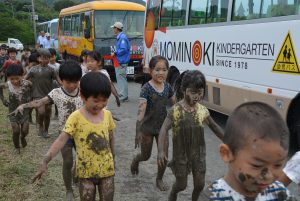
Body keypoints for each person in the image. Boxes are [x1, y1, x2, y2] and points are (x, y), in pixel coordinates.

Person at [31, 72, 116, 201]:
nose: (100, 104)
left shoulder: (107, 115)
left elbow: (111, 137)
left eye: (104, 100)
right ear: (83, 96)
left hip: (107, 169)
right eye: (96, 100)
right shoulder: (76, 117)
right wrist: (45, 160)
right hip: (85, 173)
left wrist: (113, 157)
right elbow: (61, 140)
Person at [14, 61, 82, 201]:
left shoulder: (83, 91)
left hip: (82, 134)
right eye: (68, 82)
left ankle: (77, 174)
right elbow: (40, 102)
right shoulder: (56, 93)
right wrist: (24, 106)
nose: (72, 85)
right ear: (61, 80)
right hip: (65, 134)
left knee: (81, 160)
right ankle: (69, 190)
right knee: (68, 161)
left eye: (75, 82)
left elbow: (94, 103)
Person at [203, 102, 296, 201]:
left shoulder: (279, 193)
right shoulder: (211, 198)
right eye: (257, 165)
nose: (269, 176)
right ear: (227, 153)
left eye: (278, 165)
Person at [157, 70, 224, 201]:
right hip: (181, 155)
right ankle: (174, 192)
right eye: (193, 92)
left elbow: (215, 126)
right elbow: (164, 129)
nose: (197, 96)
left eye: (200, 92)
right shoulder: (176, 110)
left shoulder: (202, 110)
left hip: (198, 154)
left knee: (200, 185)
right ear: (183, 90)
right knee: (181, 185)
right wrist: (160, 151)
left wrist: (229, 141)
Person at [130, 55, 176, 191]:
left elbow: (175, 104)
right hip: (147, 128)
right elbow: (141, 112)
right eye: (157, 70)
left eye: (164, 70)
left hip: (162, 128)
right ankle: (136, 160)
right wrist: (137, 132)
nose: (161, 73)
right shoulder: (146, 88)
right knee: (146, 155)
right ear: (150, 71)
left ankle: (159, 178)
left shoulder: (168, 87)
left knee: (164, 156)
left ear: (168, 71)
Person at [24, 48, 60, 138]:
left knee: (47, 113)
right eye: (43, 58)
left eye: (48, 58)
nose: (46, 60)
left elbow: (58, 80)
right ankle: (40, 125)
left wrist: (64, 87)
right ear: (38, 58)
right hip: (37, 94)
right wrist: (24, 83)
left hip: (48, 95)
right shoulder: (33, 69)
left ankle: (46, 130)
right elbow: (25, 78)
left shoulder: (51, 70)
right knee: (41, 112)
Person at [0, 64, 32, 154]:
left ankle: (22, 138)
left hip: (25, 111)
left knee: (25, 130)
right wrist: (3, 100)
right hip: (13, 111)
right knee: (16, 130)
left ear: (22, 76)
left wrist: (30, 99)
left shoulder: (27, 83)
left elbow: (32, 91)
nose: (15, 81)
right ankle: (16, 147)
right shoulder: (7, 85)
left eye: (17, 78)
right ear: (8, 78)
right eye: (12, 79)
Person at [111, 21, 130, 102]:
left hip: (121, 61)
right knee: (122, 78)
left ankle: (123, 96)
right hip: (121, 61)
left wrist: (115, 52)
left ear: (117, 29)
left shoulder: (122, 38)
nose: (113, 30)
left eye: (114, 28)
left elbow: (123, 49)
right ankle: (123, 95)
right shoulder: (121, 37)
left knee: (121, 78)